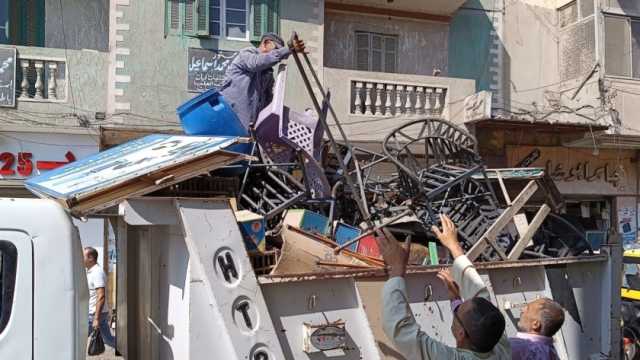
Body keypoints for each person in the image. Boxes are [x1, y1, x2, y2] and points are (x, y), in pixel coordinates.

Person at [378, 214, 511, 359]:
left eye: (458, 309)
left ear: (461, 333)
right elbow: (481, 298)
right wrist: (454, 247)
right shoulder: (499, 347)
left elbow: (402, 331)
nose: (458, 306)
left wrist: (397, 268)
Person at [219, 32, 305, 130]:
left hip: (248, 128)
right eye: (276, 49)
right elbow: (256, 63)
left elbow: (268, 101)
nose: (277, 55)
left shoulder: (267, 73)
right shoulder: (247, 54)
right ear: (266, 43)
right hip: (229, 120)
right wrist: (287, 50)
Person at [84, 247, 116, 349]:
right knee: (108, 339)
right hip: (96, 313)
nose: (81, 259)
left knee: (78, 338)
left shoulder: (97, 272)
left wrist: (96, 318)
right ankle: (129, 349)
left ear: (91, 258)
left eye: (83, 256)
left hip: (94, 313)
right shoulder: (90, 272)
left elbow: (101, 295)